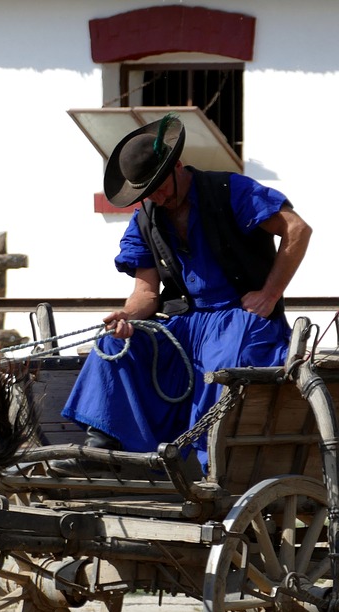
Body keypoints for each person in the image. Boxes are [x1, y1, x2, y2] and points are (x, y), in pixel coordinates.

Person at [55, 113, 312, 474]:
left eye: (160, 185)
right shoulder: (145, 217)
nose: (157, 196)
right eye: (147, 192)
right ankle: (106, 447)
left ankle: (215, 466)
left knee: (224, 365)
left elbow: (297, 230)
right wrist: (126, 317)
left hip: (241, 318)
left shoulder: (230, 190)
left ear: (177, 166)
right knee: (113, 344)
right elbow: (146, 294)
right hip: (183, 325)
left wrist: (269, 294)